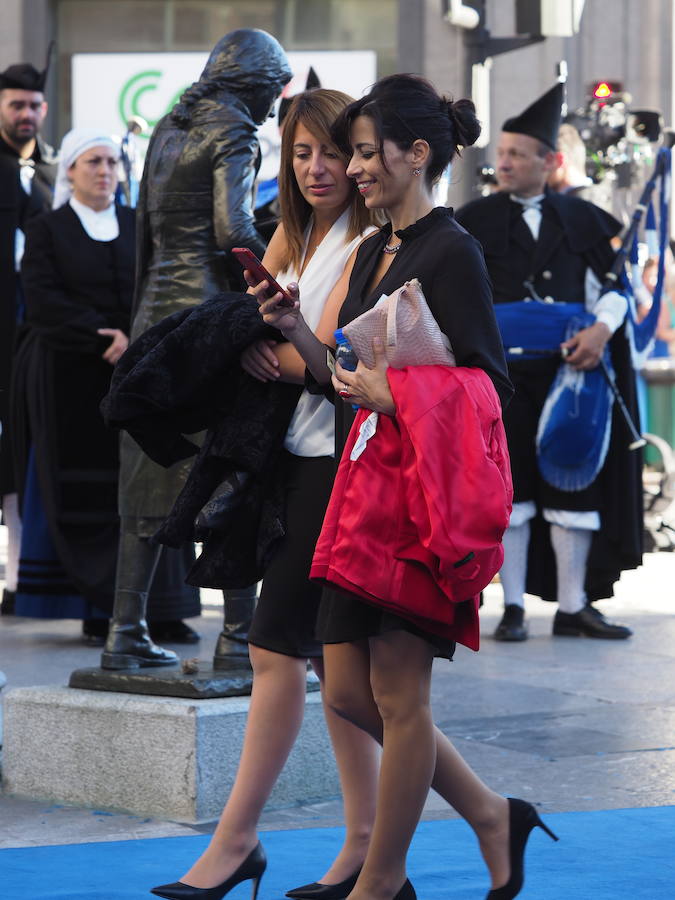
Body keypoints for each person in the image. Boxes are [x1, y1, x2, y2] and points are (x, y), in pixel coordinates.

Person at [249, 74, 556, 900]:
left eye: (361, 150)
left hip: (415, 501)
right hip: (362, 497)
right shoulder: (376, 248)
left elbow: (490, 384)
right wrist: (290, 331)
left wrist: (398, 395)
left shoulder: (450, 249)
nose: (351, 169)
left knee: (396, 694)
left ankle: (380, 882)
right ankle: (492, 814)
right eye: (346, 153)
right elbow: (337, 377)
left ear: (416, 154)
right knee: (346, 689)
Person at [150, 89, 381, 900]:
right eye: (301, 153)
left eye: (333, 152)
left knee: (278, 651)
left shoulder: (374, 241)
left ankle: (237, 841)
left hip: (341, 464)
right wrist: (256, 329)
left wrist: (284, 353)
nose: (319, 169)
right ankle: (394, 836)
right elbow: (265, 327)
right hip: (284, 459)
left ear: (366, 155)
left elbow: (348, 371)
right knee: (332, 666)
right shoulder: (297, 231)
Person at [101, 28, 292, 670]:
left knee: (146, 476)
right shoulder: (234, 131)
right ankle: (239, 639)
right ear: (256, 83)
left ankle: (123, 633)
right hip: (207, 317)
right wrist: (288, 273)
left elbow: (146, 239)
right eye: (275, 86)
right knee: (228, 463)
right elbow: (231, 229)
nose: (276, 99)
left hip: (156, 312)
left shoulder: (168, 126)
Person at [455, 84, 640, 642]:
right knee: (511, 491)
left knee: (572, 483)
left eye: (515, 154)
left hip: (571, 377)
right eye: (501, 153)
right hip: (503, 380)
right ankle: (511, 607)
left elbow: (615, 289)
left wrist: (601, 332)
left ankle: (574, 605)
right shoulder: (472, 220)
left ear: (549, 161)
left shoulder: (584, 219)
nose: (503, 162)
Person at [10, 128, 197, 644]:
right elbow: (43, 299)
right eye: (92, 161)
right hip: (72, 378)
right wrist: (101, 337)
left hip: (139, 376)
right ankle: (98, 607)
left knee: (156, 483)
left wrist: (139, 338)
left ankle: (165, 607)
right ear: (69, 170)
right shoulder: (48, 229)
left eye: (112, 162)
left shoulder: (139, 226)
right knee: (91, 494)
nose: (104, 171)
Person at [0, 58, 57, 616]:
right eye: (17, 104)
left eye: (35, 104)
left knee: (19, 459)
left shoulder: (48, 172)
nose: (27, 114)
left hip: (28, 340)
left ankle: (18, 577)